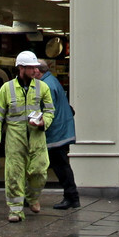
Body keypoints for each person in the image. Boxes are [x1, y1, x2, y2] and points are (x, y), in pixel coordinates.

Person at [0, 50, 54, 222]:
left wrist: (43, 122)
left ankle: (32, 198)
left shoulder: (42, 87)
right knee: (14, 173)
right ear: (21, 68)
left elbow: (49, 111)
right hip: (14, 136)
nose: (35, 71)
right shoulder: (7, 89)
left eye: (36, 68)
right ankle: (16, 210)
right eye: (32, 68)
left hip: (36, 136)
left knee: (40, 170)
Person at [40, 65, 79, 210]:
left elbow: (47, 109)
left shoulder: (46, 85)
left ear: (38, 71)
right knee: (61, 165)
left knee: (60, 166)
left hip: (56, 133)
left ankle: (71, 197)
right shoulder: (52, 80)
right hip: (61, 130)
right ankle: (71, 196)